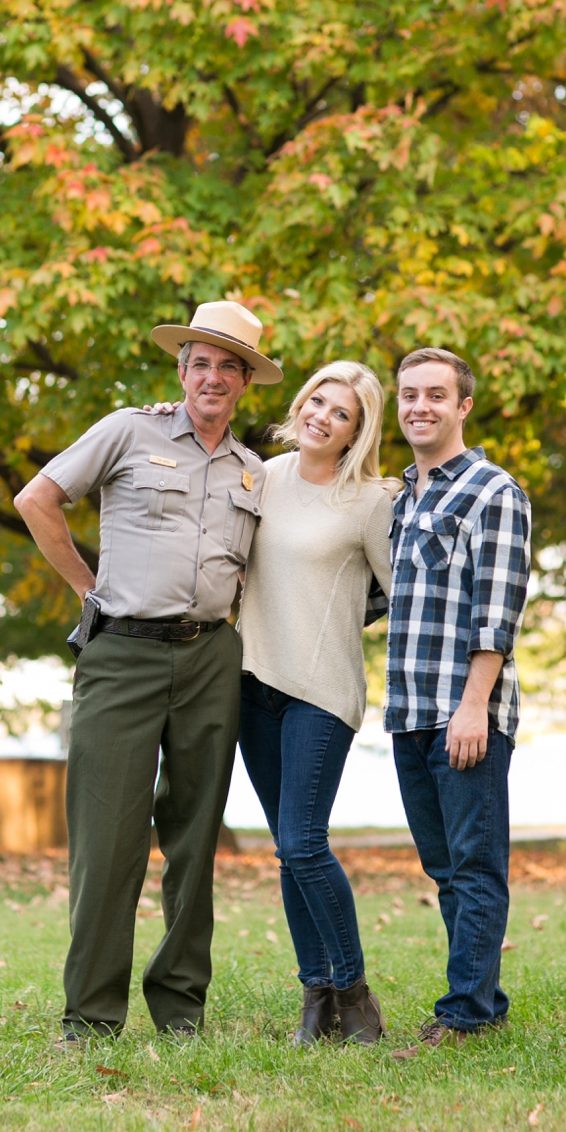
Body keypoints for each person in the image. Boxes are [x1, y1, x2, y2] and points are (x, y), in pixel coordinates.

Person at [14, 301, 280, 1043]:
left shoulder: (255, 473)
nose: (214, 377)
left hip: (210, 658)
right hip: (121, 654)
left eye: (231, 366)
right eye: (202, 362)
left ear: (246, 382)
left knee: (195, 840)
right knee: (109, 838)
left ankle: (181, 1010)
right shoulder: (127, 429)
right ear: (181, 368)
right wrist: (82, 587)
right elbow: (37, 498)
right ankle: (91, 1016)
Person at [236, 362, 396, 1047]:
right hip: (248, 685)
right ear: (302, 402)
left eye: (344, 415)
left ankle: (355, 995)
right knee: (286, 851)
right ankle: (316, 998)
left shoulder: (372, 499)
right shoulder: (258, 477)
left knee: (305, 841)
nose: (323, 418)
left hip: (321, 692)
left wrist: (327, 622)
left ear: (358, 433)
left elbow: (396, 594)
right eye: (319, 402)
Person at [384, 347, 531, 1056]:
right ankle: (486, 1000)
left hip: (462, 712)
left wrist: (474, 707)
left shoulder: (492, 491)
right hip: (408, 711)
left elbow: (495, 613)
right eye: (409, 394)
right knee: (444, 869)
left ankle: (465, 1014)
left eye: (436, 395)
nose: (420, 406)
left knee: (474, 866)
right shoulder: (404, 497)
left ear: (463, 405)